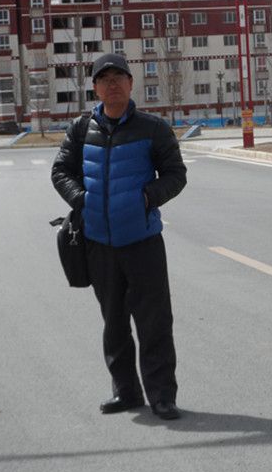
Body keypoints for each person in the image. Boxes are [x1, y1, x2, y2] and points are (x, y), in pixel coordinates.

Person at [51, 53, 187, 420]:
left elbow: (175, 174)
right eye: (104, 78)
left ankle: (162, 396)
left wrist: (146, 198)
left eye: (119, 77)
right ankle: (125, 392)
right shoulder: (81, 129)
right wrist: (82, 200)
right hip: (99, 243)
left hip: (143, 241)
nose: (112, 84)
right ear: (95, 87)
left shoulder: (153, 128)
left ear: (131, 83)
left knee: (155, 323)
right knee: (113, 323)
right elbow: (61, 171)